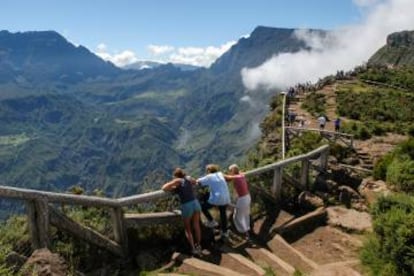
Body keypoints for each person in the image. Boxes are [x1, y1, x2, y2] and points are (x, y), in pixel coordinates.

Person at [162, 168, 202, 256]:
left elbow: (164, 188)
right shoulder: (188, 178)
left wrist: (174, 184)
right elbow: (195, 182)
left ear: (176, 175)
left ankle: (193, 249)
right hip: (195, 202)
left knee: (188, 229)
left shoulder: (178, 180)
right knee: (196, 225)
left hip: (187, 205)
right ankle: (199, 245)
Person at [197, 164, 231, 240]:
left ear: (208, 171)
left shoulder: (209, 177)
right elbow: (228, 178)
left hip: (218, 198)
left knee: (202, 206)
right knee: (223, 213)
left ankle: (212, 221)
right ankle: (224, 232)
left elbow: (198, 182)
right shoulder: (220, 174)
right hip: (226, 197)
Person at [224, 164, 251, 241]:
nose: (229, 172)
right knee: (245, 214)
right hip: (247, 197)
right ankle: (247, 230)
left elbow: (228, 177)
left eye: (230, 171)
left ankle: (243, 232)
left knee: (237, 217)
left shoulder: (235, 177)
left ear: (233, 171)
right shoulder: (241, 175)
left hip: (242, 199)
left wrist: (220, 174)